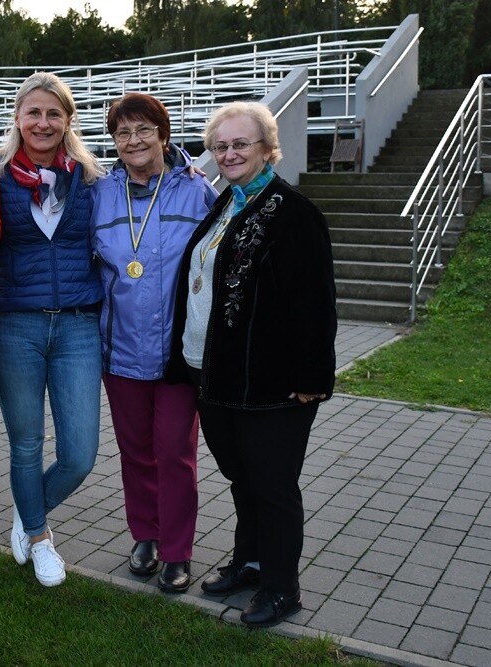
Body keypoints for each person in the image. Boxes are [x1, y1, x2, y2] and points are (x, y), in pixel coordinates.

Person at [165, 101, 337, 627]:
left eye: (241, 144)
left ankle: (282, 588)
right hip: (214, 374)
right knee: (242, 478)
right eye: (220, 146)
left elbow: (316, 302)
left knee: (273, 486)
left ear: (267, 148)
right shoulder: (228, 202)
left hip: (272, 383)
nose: (229, 153)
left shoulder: (293, 212)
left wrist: (312, 377)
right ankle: (251, 562)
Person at [0, 72, 105, 587]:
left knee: (79, 454)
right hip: (14, 326)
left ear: (68, 120)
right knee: (27, 445)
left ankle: (28, 507)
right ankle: (39, 536)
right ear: (17, 117)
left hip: (77, 326)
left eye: (54, 113)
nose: (43, 122)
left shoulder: (91, 178)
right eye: (33, 112)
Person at [90, 93, 217, 592]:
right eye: (123, 133)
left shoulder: (197, 191)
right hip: (120, 349)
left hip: (177, 354)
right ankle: (145, 535)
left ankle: (177, 550)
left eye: (144, 129)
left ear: (164, 136)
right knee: (135, 451)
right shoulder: (100, 194)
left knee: (175, 453)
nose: (134, 140)